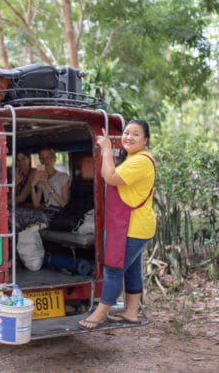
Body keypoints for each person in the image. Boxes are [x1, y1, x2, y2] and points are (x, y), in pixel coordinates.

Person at [78, 119, 156, 329]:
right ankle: (131, 313)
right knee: (131, 271)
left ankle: (98, 315)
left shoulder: (140, 161)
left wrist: (106, 149)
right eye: (127, 132)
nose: (129, 137)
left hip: (132, 226)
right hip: (135, 225)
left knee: (114, 269)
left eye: (136, 134)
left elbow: (110, 177)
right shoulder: (134, 158)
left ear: (145, 139)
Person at [15, 148, 70, 231]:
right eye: (42, 158)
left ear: (54, 159)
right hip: (45, 211)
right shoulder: (41, 177)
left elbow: (64, 204)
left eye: (48, 157)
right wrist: (33, 186)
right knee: (13, 210)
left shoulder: (63, 176)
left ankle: (40, 224)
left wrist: (47, 184)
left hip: (57, 213)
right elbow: (36, 204)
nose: (45, 160)